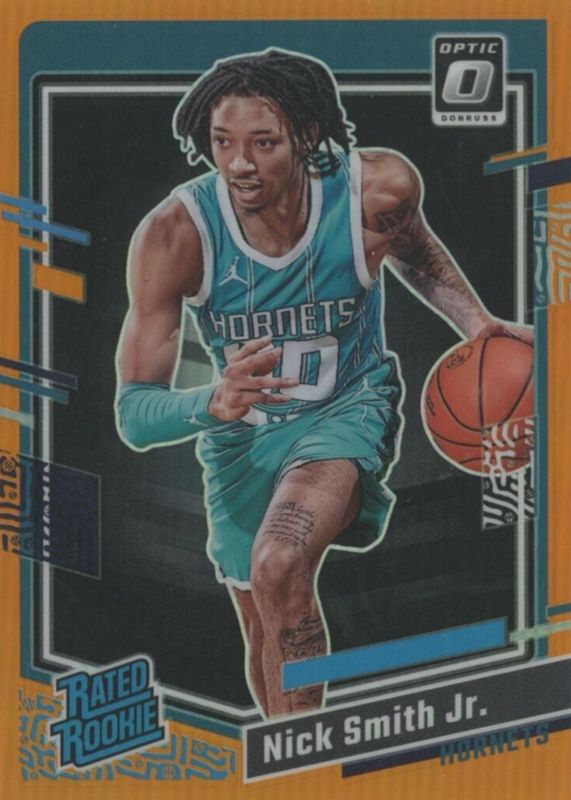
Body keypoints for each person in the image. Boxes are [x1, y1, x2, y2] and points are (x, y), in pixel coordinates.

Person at [115, 48, 532, 719]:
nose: (239, 164)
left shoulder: (374, 188)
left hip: (346, 410)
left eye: (263, 142)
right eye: (222, 143)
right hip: (240, 443)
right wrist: (210, 401)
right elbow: (134, 415)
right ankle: (289, 748)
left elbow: (415, 251)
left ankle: (307, 762)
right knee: (263, 626)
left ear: (307, 135)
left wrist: (479, 325)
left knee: (278, 561)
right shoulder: (175, 233)